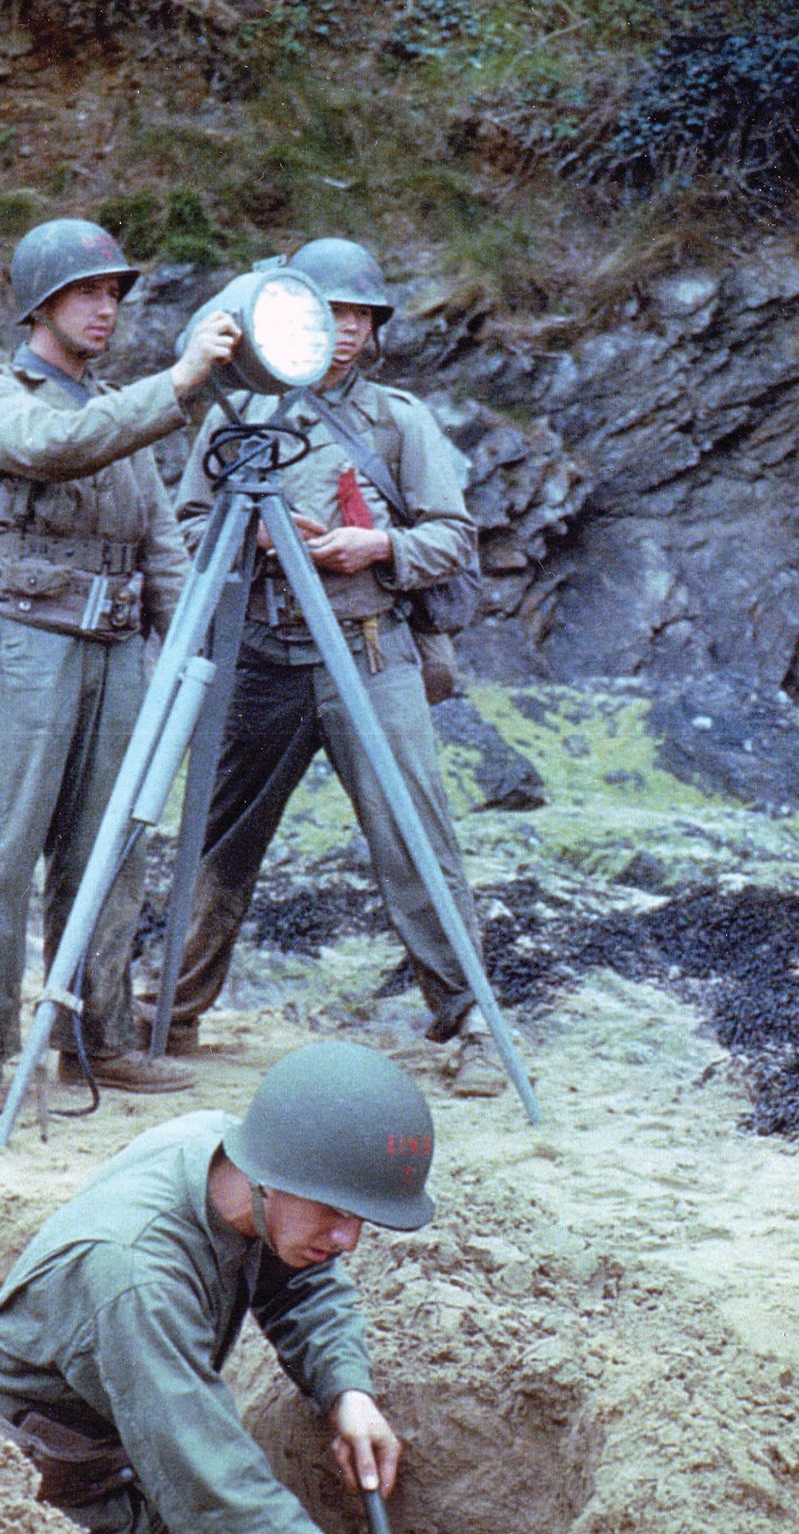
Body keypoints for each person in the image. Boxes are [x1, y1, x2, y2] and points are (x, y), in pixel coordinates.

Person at [167, 237, 502, 1098]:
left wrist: (376, 544)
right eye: (328, 314)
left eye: (359, 316)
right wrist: (258, 538)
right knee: (216, 838)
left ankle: (470, 1017)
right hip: (261, 658)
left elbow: (455, 539)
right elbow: (187, 530)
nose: (344, 332)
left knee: (414, 835)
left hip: (370, 650)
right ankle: (170, 1007)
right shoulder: (232, 416)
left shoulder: (398, 420)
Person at [0, 218, 243, 1115]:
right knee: (6, 848)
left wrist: (184, 644)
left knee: (111, 853)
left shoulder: (123, 414)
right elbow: (50, 446)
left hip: (116, 652)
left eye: (114, 294)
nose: (105, 309)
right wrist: (183, 381)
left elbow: (155, 538)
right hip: (21, 647)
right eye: (86, 293)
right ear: (41, 304)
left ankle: (94, 1038)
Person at [0, 1040, 431, 1534]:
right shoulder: (138, 1278)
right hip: (35, 1492)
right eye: (337, 1212)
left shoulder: (234, 1160)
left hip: (120, 1441)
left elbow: (301, 1280)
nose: (349, 1240)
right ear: (270, 1179)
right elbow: (214, 1494)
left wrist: (347, 1390)